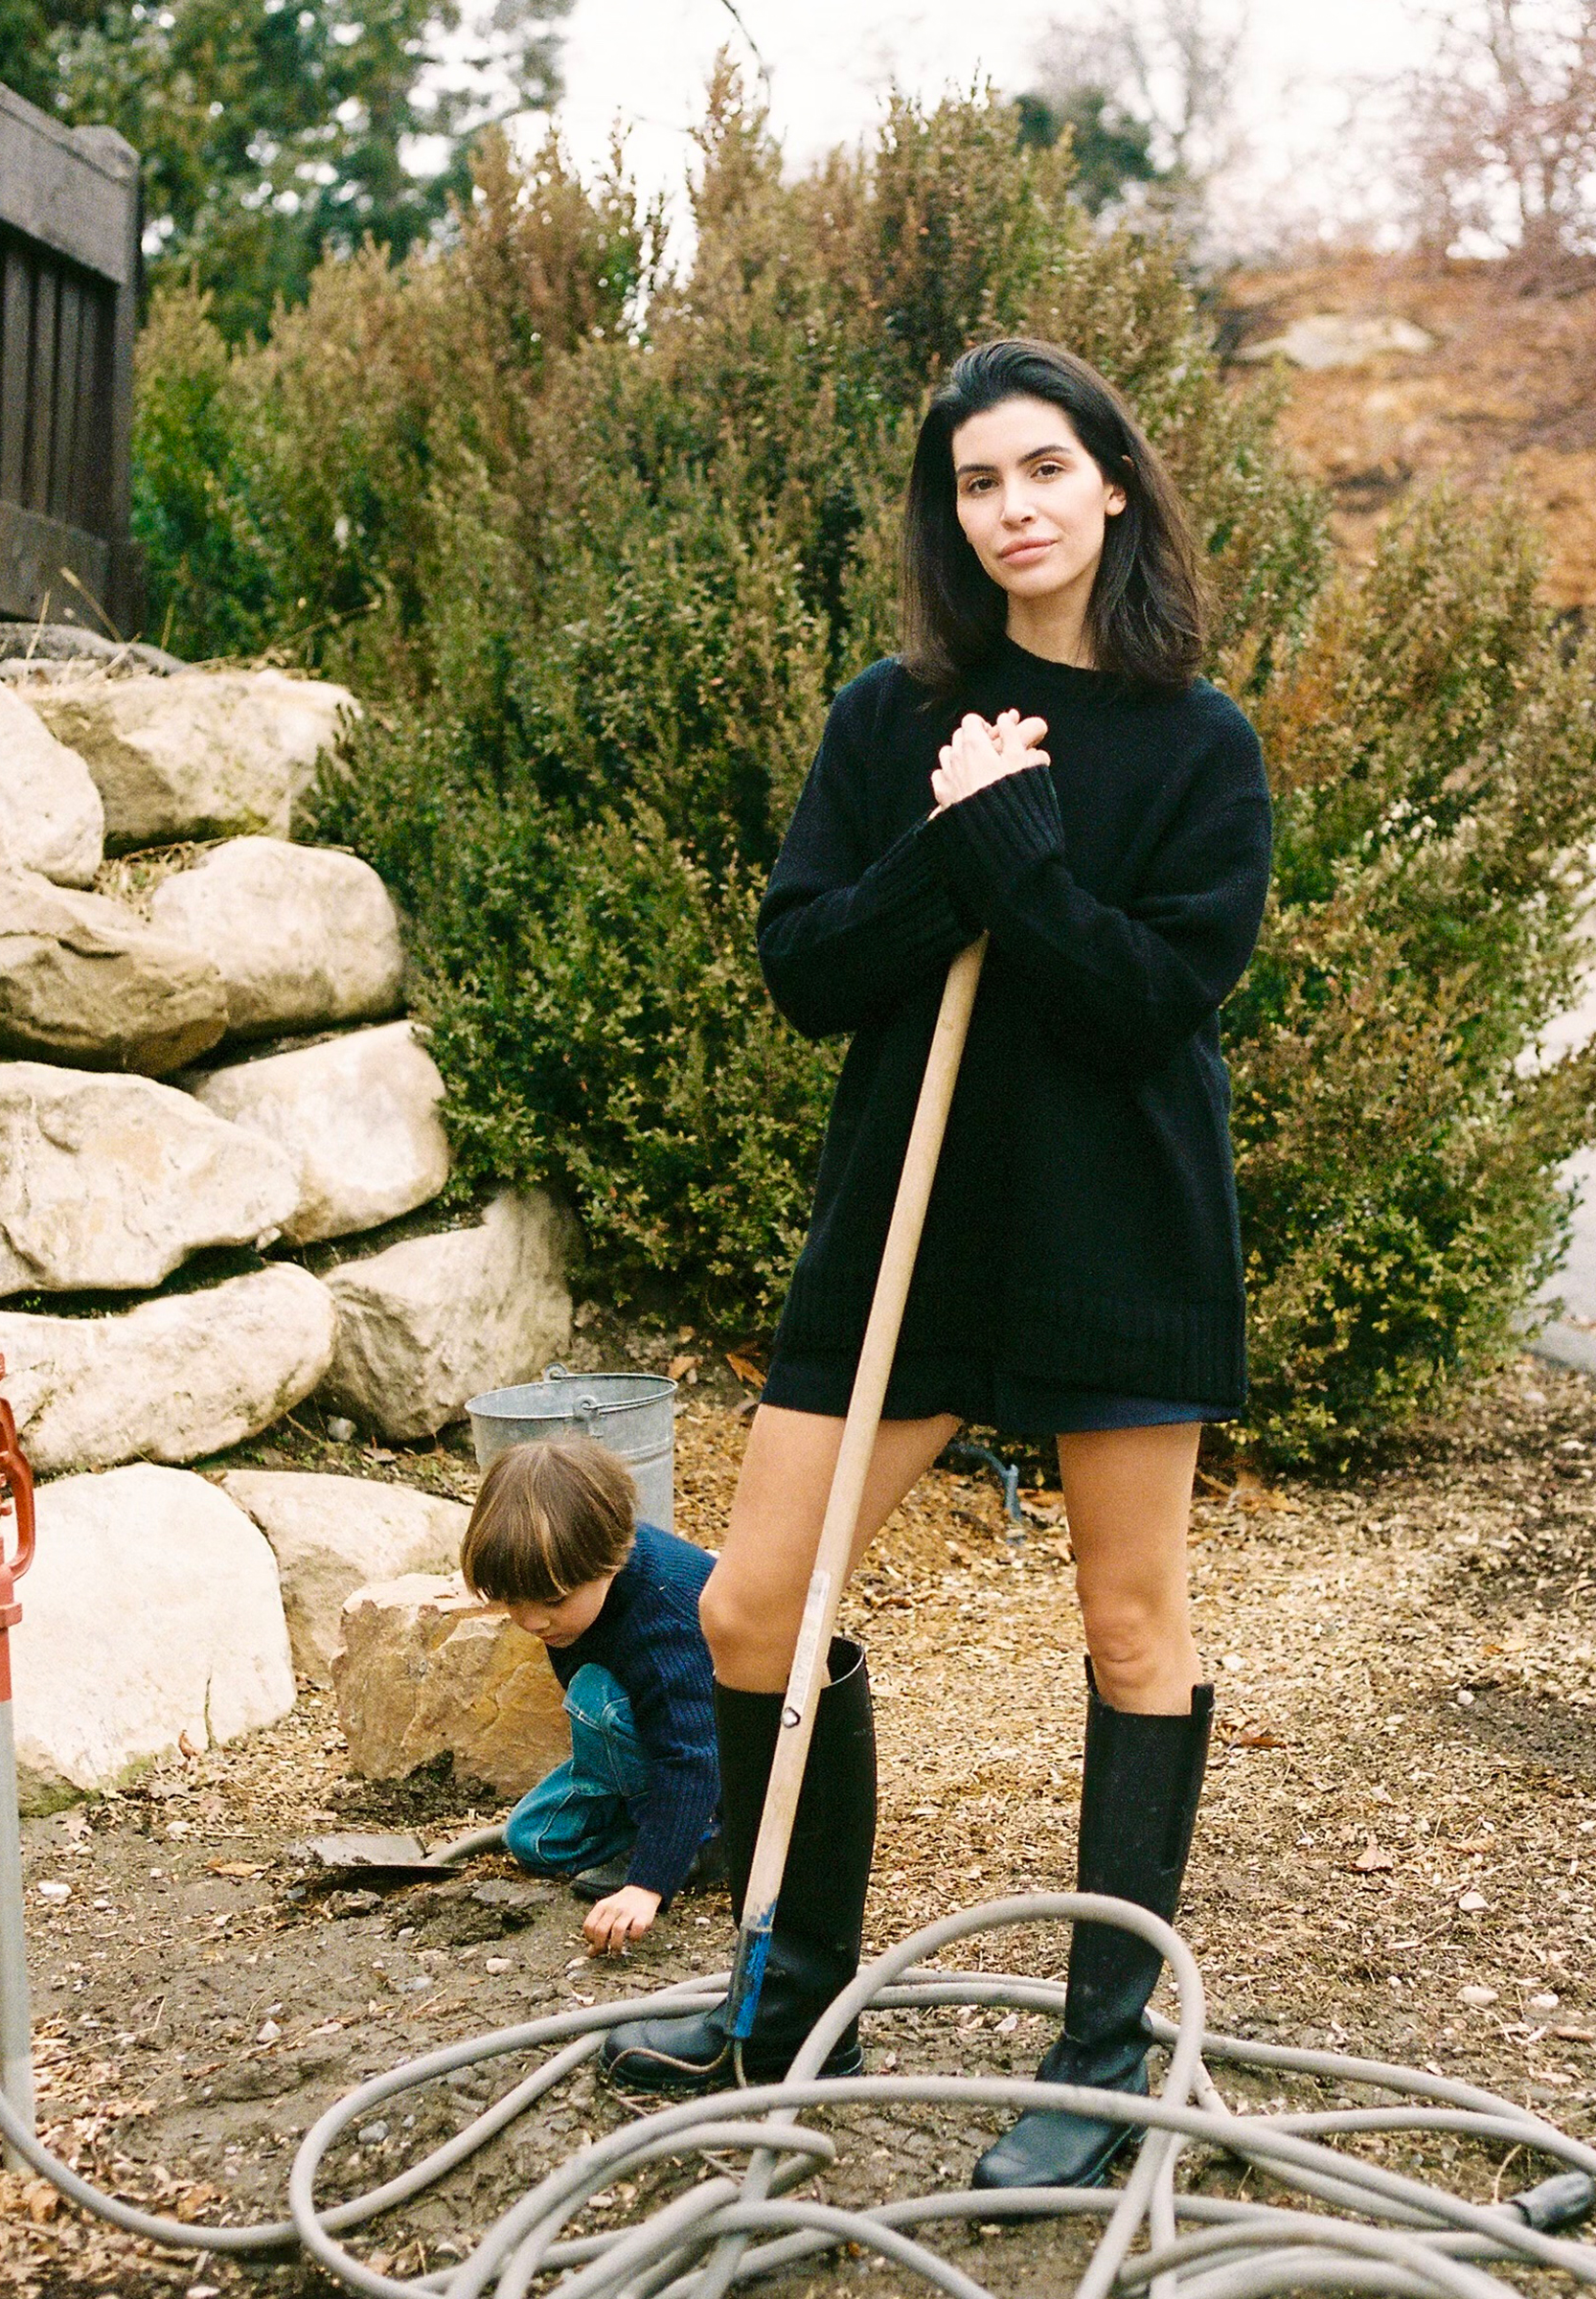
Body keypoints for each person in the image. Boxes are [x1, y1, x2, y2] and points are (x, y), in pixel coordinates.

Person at [602, 337, 1273, 2192]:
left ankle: (1098, 2045)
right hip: (903, 1213)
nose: (1015, 509)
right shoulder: (889, 719)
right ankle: (795, 1986)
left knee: (1130, 1625)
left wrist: (1016, 843)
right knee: (752, 1603)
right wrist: (952, 837)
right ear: (949, 514)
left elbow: (1148, 1003)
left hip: (1115, 1226)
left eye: (1045, 470)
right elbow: (810, 968)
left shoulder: (1197, 742)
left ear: (1113, 484)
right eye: (979, 484)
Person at [461, 1440, 723, 1956]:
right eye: (514, 1600)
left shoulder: (661, 1616)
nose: (533, 1620)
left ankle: (702, 1839)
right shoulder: (575, 1602)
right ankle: (662, 1830)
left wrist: (646, 1885)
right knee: (534, 1839)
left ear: (612, 1559)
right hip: (649, 1755)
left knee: (596, 1695)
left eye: (553, 1600)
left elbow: (693, 1754)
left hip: (723, 1773)